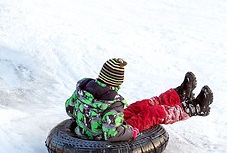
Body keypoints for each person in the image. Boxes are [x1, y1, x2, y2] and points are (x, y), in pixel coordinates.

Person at [65, 58, 213, 142]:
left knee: (140, 106)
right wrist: (132, 132)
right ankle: (195, 107)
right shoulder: (112, 103)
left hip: (98, 125)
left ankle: (178, 95)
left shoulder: (84, 88)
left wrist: (87, 117)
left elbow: (69, 108)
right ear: (116, 82)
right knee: (153, 113)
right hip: (102, 136)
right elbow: (111, 134)